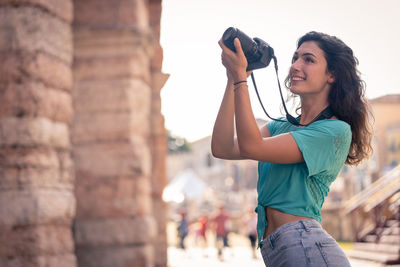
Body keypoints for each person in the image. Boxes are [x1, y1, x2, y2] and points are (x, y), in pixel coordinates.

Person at [212, 31, 373, 267]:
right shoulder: (281, 126)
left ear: (332, 75)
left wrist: (240, 79)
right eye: (295, 58)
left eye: (308, 59)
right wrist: (232, 78)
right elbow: (222, 148)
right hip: (281, 250)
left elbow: (251, 145)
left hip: (306, 247)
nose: (296, 66)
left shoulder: (334, 131)